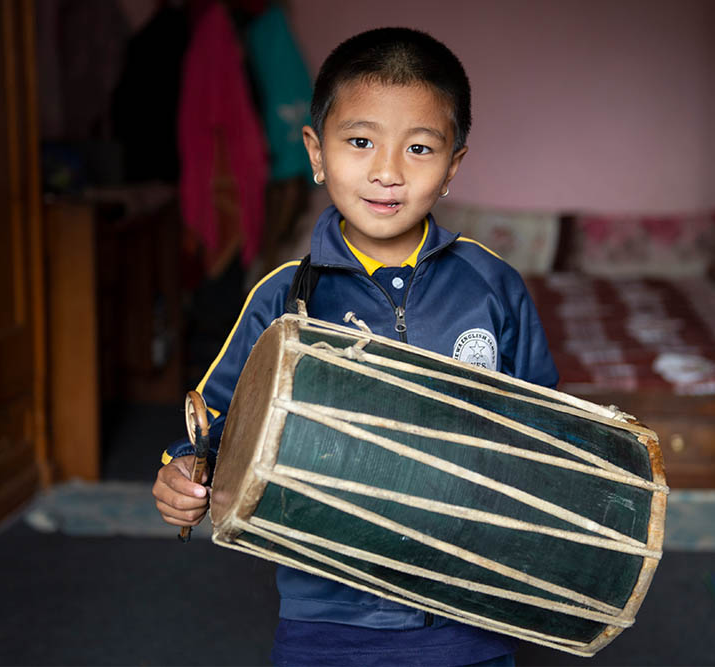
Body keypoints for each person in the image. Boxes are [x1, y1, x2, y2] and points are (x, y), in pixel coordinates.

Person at [153, 27, 559, 667]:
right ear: (316, 152)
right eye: (361, 141)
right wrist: (184, 472)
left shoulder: (494, 286)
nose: (387, 171)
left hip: (472, 611)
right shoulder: (283, 298)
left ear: (454, 165)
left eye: (420, 148)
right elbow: (212, 422)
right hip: (325, 620)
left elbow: (544, 429)